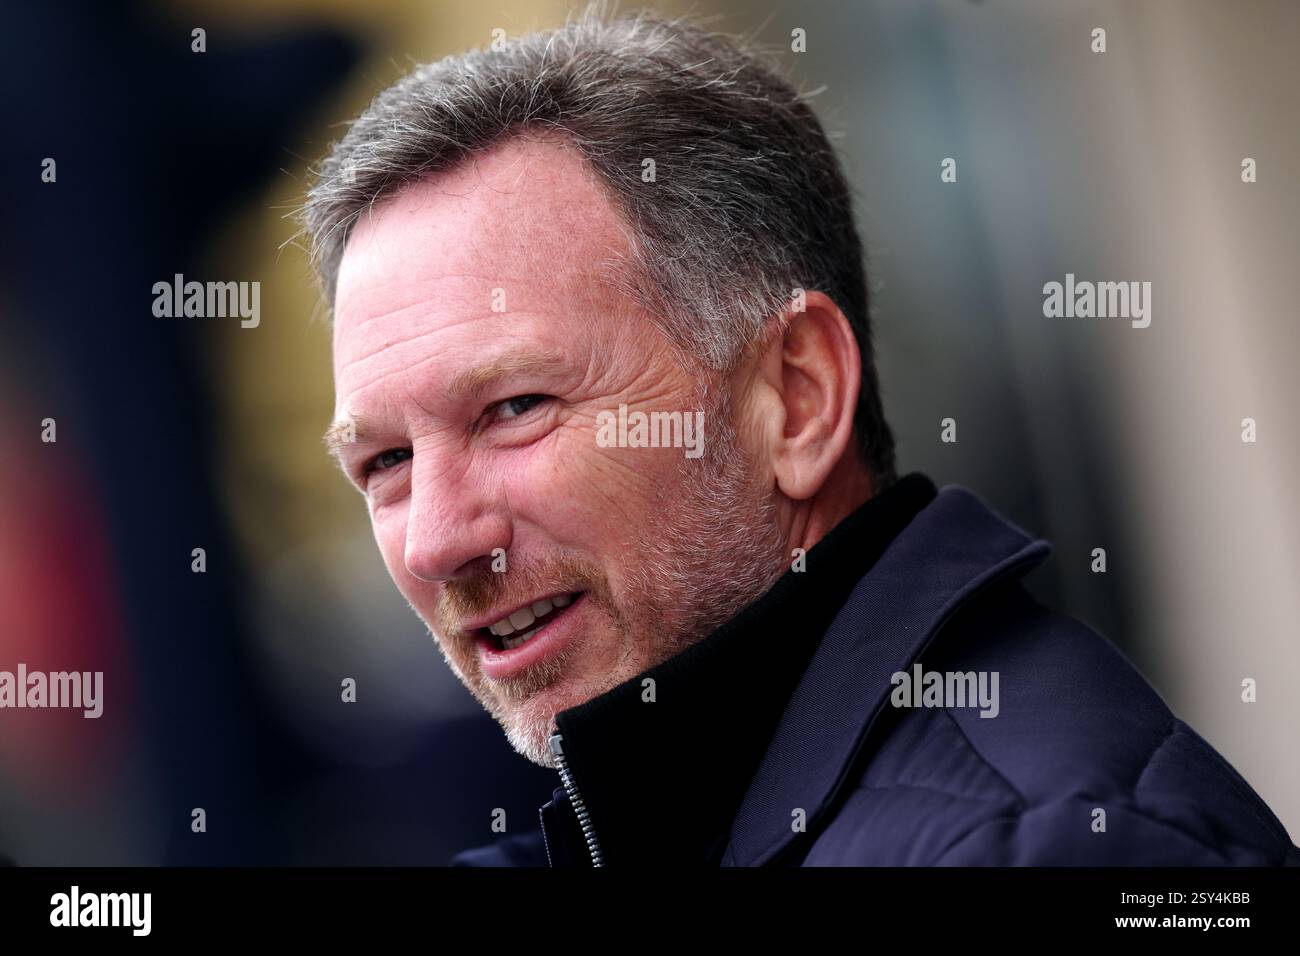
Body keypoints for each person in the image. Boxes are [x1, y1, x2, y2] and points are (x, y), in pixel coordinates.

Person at [301, 7, 1298, 866]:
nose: (436, 541)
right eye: (384, 460)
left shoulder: (1060, 845)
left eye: (514, 407)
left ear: (798, 395)